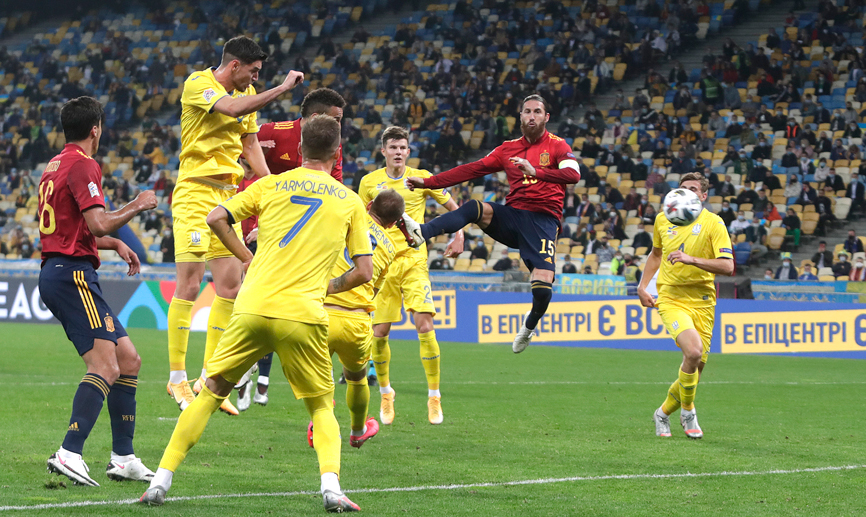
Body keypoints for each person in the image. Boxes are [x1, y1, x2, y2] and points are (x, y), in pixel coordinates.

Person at [141, 115, 373, 512]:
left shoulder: (269, 184)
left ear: (299, 150)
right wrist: (329, 287)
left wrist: (247, 257)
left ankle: (160, 482)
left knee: (210, 393)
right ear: (338, 154)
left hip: (251, 307)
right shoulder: (349, 200)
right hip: (303, 313)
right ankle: (331, 488)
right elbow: (364, 271)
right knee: (320, 406)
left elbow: (216, 217)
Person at [165, 36, 304, 415]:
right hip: (195, 191)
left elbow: (249, 143)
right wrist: (281, 88)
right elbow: (230, 107)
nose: (255, 78)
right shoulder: (199, 84)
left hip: (227, 198)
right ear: (234, 66)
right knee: (191, 283)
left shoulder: (249, 93)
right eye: (253, 71)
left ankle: (210, 380)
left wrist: (271, 182)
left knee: (230, 286)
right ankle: (177, 378)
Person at [40, 97, 159, 486]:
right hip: (72, 275)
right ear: (96, 129)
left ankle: (123, 457)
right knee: (105, 366)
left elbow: (76, 229)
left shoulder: (54, 165)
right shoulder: (83, 164)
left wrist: (112, 246)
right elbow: (100, 222)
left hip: (62, 269)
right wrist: (138, 205)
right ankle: (69, 451)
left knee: (129, 360)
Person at [404, 95, 580, 354]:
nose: (532, 116)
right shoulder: (508, 149)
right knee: (476, 207)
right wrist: (429, 182)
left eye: (537, 112)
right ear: (520, 117)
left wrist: (536, 171)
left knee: (542, 292)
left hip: (543, 221)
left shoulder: (557, 146)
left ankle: (529, 327)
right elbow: (471, 169)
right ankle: (423, 232)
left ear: (546, 117)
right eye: (527, 111)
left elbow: (573, 174)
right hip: (513, 217)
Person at [236, 88, 350, 410]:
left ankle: (257, 378)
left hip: (301, 236)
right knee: (252, 297)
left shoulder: (332, 147)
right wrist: (250, 152)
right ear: (315, 118)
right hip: (262, 230)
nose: (340, 126)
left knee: (277, 308)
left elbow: (336, 192)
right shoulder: (272, 132)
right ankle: (243, 373)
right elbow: (238, 153)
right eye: (337, 118)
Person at [358, 126, 464, 426]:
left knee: (424, 323)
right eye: (393, 147)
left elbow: (455, 208)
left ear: (408, 151)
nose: (398, 152)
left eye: (403, 147)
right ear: (383, 151)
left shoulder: (422, 178)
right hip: (382, 264)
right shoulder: (369, 182)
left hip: (414, 260)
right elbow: (357, 218)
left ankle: (434, 396)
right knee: (379, 332)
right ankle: (386, 392)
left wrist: (458, 235)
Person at [308, 188, 405, 453]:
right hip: (356, 320)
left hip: (320, 312)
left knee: (320, 375)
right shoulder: (391, 247)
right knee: (356, 378)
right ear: (395, 222)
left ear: (369, 203)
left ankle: (318, 424)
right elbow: (373, 289)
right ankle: (357, 431)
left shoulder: (344, 219)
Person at [639, 172, 734, 440]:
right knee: (692, 353)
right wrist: (642, 286)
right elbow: (656, 254)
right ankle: (689, 411)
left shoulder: (714, 224)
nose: (687, 193)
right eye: (683, 188)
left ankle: (662, 413)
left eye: (693, 189)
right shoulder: (662, 219)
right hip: (670, 296)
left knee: (696, 367)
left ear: (703, 196)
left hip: (703, 300)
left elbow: (728, 266)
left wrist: (691, 259)